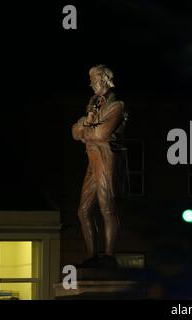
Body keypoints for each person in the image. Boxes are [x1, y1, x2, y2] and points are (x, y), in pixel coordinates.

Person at [72, 65, 128, 267]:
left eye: (94, 79)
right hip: (92, 160)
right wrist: (88, 126)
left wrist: (87, 130)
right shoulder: (93, 105)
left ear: (104, 79)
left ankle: (109, 256)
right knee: (83, 210)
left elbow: (101, 134)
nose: (91, 83)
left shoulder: (116, 106)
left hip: (106, 160)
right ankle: (92, 255)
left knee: (107, 208)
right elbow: (74, 131)